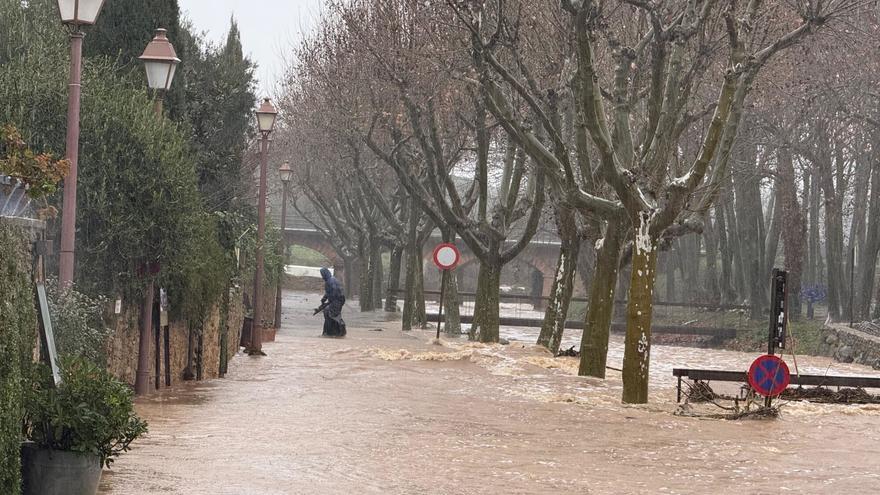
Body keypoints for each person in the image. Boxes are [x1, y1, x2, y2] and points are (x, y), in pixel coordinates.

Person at [318, 267, 346, 337]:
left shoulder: (330, 281)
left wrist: (329, 302)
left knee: (330, 314)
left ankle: (332, 333)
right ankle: (331, 333)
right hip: (338, 300)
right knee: (328, 313)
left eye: (322, 275)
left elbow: (334, 292)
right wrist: (324, 299)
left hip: (337, 300)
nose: (322, 277)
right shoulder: (332, 280)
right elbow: (329, 292)